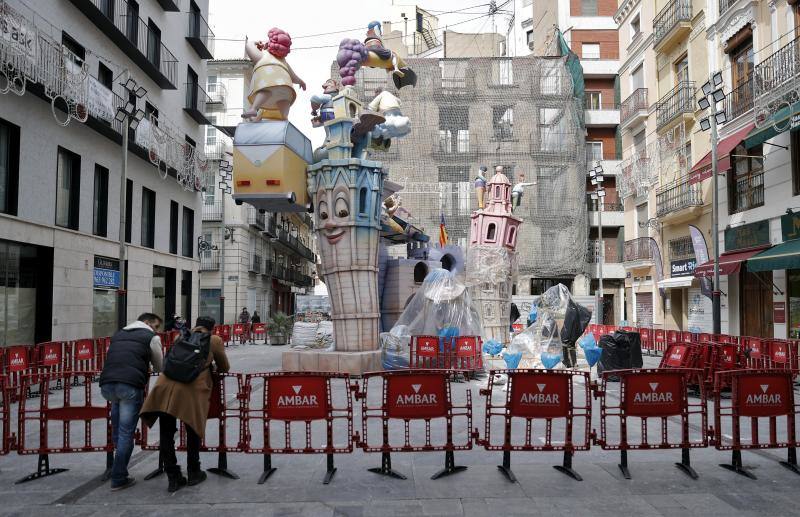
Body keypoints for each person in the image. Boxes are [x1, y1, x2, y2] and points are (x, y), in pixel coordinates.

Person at [140, 316, 230, 492]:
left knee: (166, 433)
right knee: (192, 431)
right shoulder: (214, 340)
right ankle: (194, 472)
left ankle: (173, 477)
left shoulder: (180, 336)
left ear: (196, 325)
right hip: (190, 390)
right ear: (212, 328)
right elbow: (225, 367)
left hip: (164, 388)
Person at [99, 313, 164, 491]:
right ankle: (119, 477)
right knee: (126, 433)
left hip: (108, 385)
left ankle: (116, 466)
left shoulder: (118, 334)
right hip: (129, 385)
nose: (157, 330)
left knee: (118, 430)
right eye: (156, 326)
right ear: (147, 322)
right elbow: (160, 365)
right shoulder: (151, 337)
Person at [242, 28, 306, 121]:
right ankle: (284, 117)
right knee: (283, 100)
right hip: (286, 86)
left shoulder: (262, 56)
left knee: (265, 92)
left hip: (268, 83)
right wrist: (301, 82)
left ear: (268, 45)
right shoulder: (283, 62)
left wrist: (256, 43)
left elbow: (248, 45)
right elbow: (293, 76)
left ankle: (253, 109)